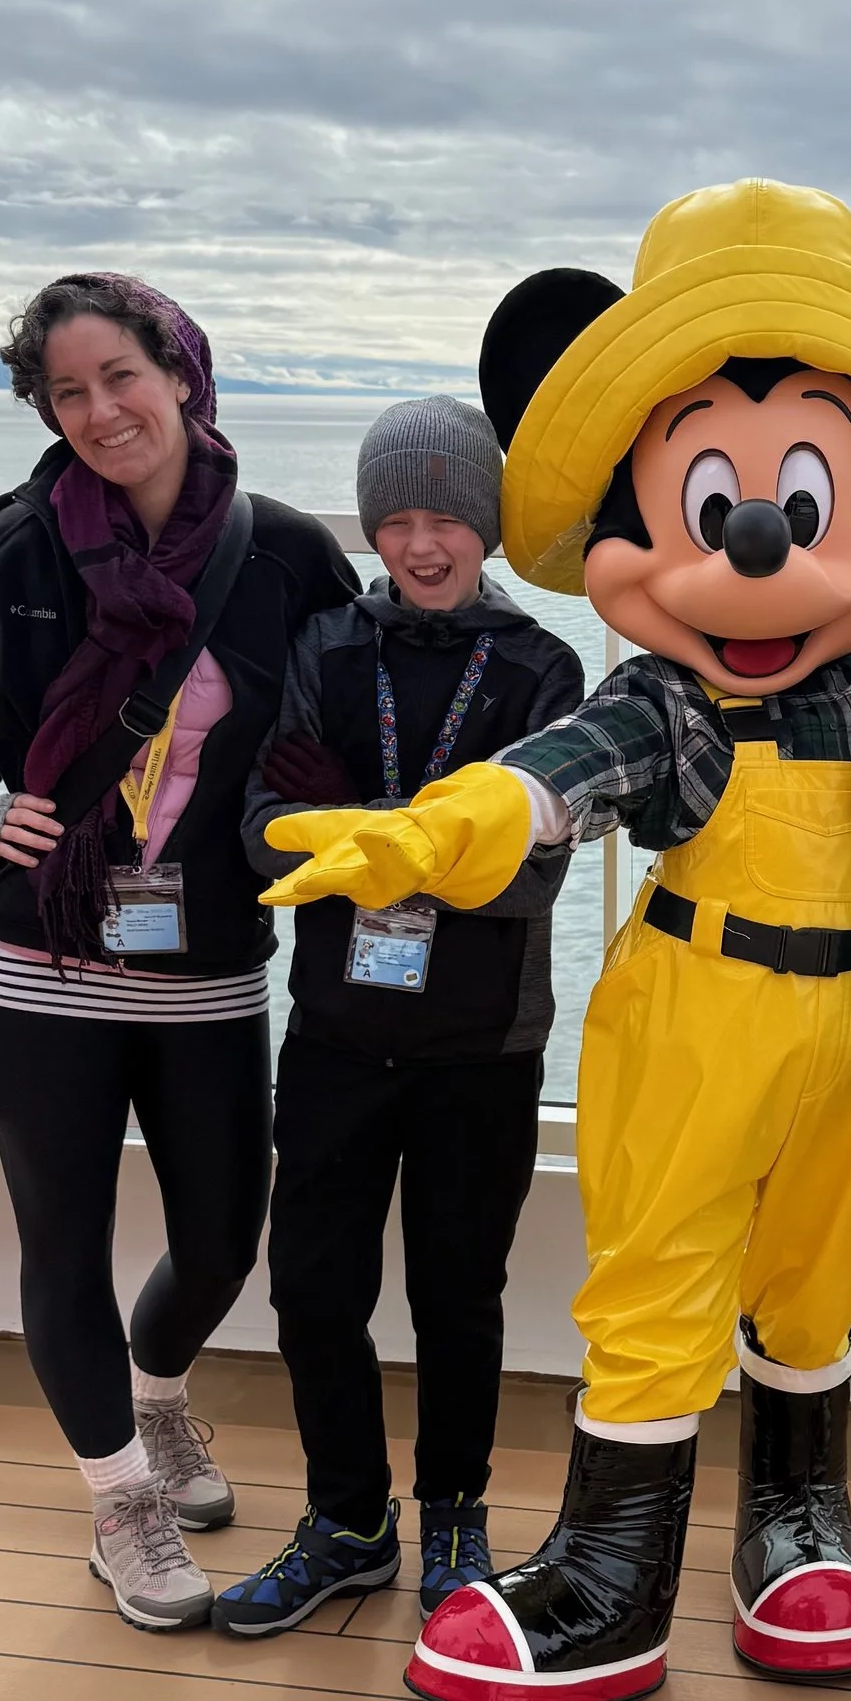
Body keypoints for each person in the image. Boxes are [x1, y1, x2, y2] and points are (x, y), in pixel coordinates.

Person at [260, 181, 851, 1701]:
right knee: (661, 1275)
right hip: (697, 1013)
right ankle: (610, 1574)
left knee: (822, 1276)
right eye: (710, 502)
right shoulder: (675, 699)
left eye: (812, 496)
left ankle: (797, 1524)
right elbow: (562, 766)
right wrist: (432, 832)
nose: (760, 546)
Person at [0, 273, 357, 1633]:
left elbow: (350, 714)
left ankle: (157, 1395)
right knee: (65, 1240)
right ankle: (120, 1500)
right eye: (66, 393)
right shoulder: (18, 547)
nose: (100, 412)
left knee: (224, 1233)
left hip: (208, 958)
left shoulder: (283, 556)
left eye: (121, 378)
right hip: (30, 956)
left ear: (183, 375)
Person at [214, 397, 584, 1638]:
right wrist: (401, 843)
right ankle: (348, 1523)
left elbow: (531, 872)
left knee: (457, 1295)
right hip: (333, 1032)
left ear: (485, 527)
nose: (423, 544)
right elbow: (264, 830)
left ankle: (457, 1517)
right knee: (313, 1289)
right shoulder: (325, 648)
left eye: (448, 520)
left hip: (484, 1044)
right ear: (373, 526)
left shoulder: (543, 670)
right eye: (399, 519)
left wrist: (365, 836)